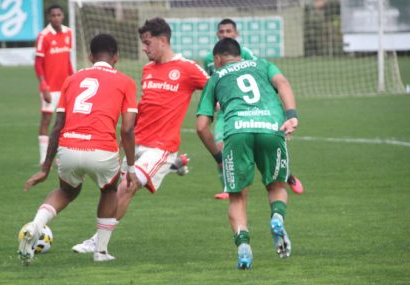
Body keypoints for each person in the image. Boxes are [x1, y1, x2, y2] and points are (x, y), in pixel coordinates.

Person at [71, 17, 209, 253]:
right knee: (114, 191)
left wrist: (215, 106)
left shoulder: (186, 68)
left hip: (162, 146)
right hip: (137, 141)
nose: (144, 48)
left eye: (147, 43)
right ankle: (174, 165)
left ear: (163, 40)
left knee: (126, 186)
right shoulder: (148, 70)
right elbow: (146, 105)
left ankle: (98, 241)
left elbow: (213, 84)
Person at [18, 34, 138, 265]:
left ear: (91, 56)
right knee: (109, 190)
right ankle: (100, 252)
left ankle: (35, 226)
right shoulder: (126, 81)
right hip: (102, 149)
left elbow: (57, 126)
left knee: (67, 191)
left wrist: (45, 168)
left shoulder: (71, 79)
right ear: (117, 57)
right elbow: (128, 128)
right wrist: (130, 166)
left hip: (69, 145)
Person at [196, 38, 298, 269]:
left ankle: (243, 245)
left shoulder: (216, 77)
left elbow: (201, 127)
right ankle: (277, 218)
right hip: (271, 128)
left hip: (236, 133)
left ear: (218, 59)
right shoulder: (262, 64)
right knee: (276, 186)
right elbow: (282, 82)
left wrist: (218, 157)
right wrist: (291, 114)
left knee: (237, 196)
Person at [203, 18, 302, 200]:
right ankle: (228, 186)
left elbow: (257, 79)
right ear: (217, 34)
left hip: (250, 110)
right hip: (227, 111)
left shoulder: (246, 55)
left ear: (236, 34)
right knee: (219, 146)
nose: (225, 34)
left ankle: (286, 175)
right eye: (222, 31)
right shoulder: (209, 58)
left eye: (228, 31)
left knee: (254, 146)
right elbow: (213, 81)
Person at [34, 4, 73, 165]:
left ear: (62, 16)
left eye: (59, 15)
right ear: (49, 18)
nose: (56, 17)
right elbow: (37, 63)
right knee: (46, 120)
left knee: (64, 122)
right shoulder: (44, 36)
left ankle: (60, 156)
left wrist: (73, 80)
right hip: (50, 88)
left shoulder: (68, 33)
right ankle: (44, 158)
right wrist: (44, 86)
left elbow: (67, 61)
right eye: (53, 15)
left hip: (65, 87)